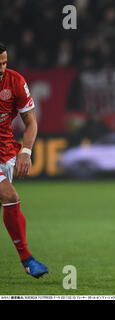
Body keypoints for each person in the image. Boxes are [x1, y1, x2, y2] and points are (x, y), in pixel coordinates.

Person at [0, 42, 48, 278]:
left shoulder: (15, 82)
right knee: (10, 196)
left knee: (7, 201)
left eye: (4, 62)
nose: (1, 68)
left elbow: (31, 122)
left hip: (6, 151)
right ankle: (27, 258)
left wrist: (25, 152)